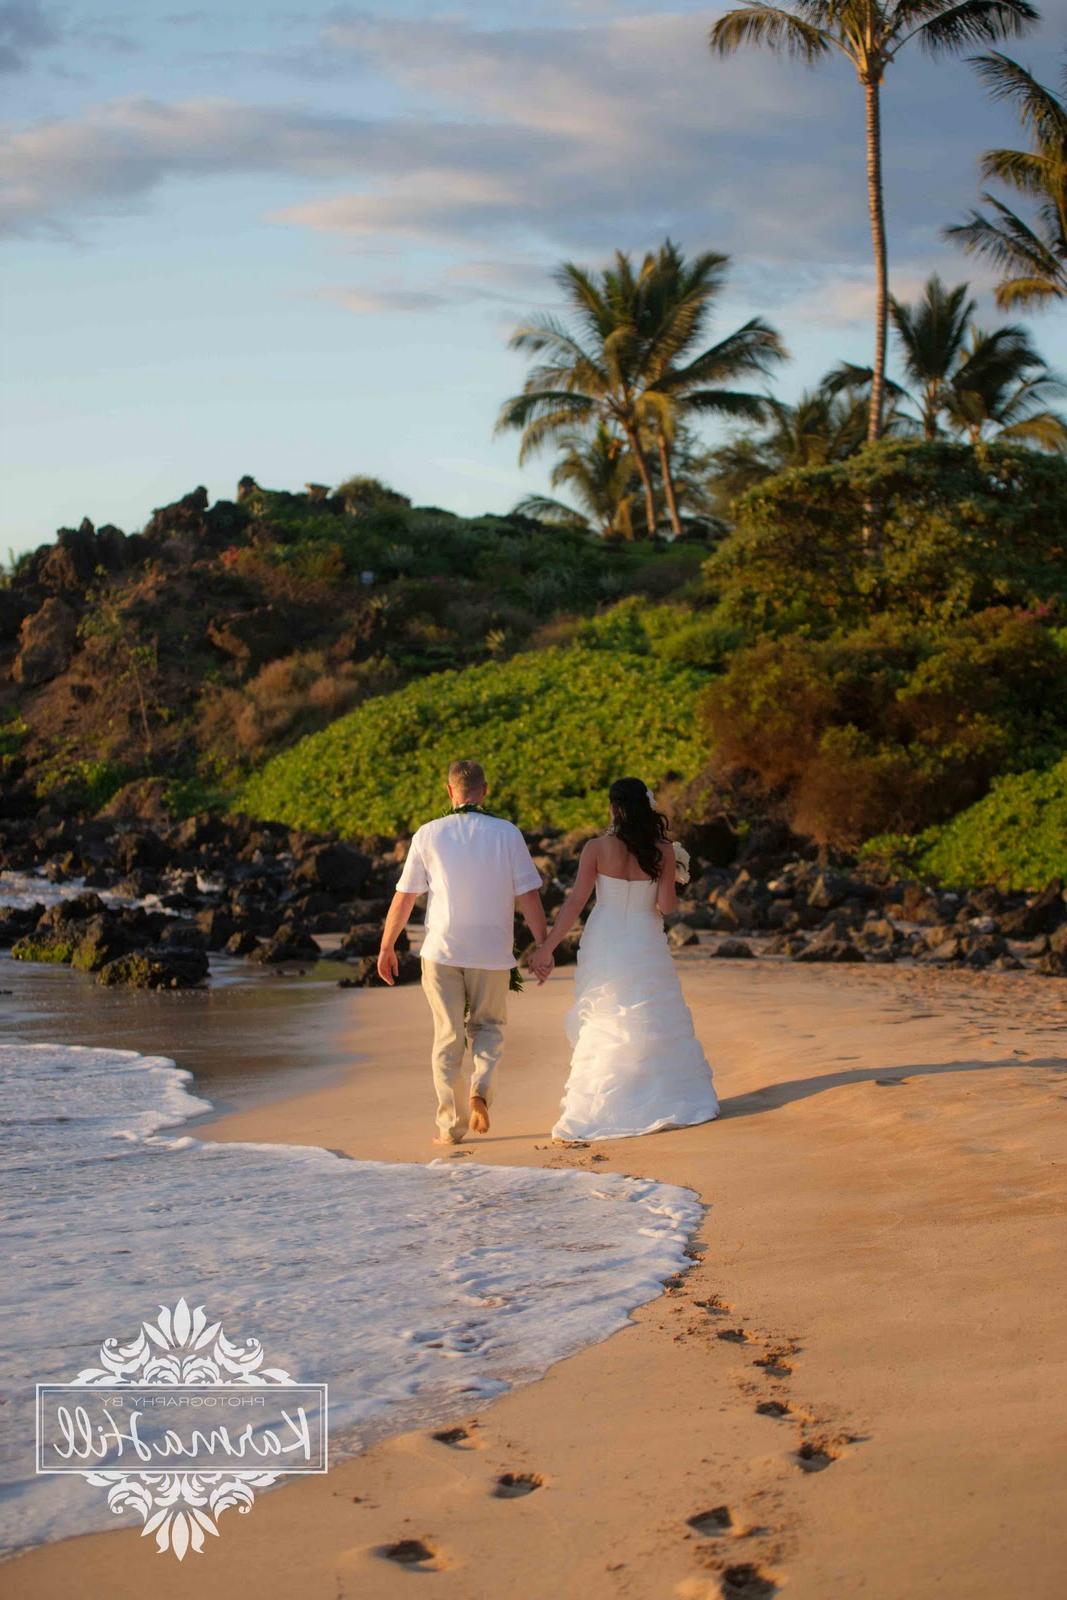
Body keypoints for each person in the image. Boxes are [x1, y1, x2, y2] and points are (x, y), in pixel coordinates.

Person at [529, 777, 719, 1141]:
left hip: (606, 939)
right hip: (645, 938)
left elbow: (574, 903)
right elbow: (666, 907)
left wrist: (547, 948)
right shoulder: (661, 849)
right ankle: (662, 1099)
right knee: (652, 1014)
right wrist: (674, 873)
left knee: (607, 1016)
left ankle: (599, 1107)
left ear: (615, 807)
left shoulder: (596, 848)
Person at [377, 759, 551, 1145]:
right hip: (491, 951)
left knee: (448, 1036)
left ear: (449, 791)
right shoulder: (507, 833)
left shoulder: (428, 833)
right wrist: (543, 945)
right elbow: (529, 896)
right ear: (484, 791)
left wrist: (387, 946)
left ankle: (450, 1127)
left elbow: (404, 898)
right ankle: (480, 1092)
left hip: (441, 951)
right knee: (488, 1027)